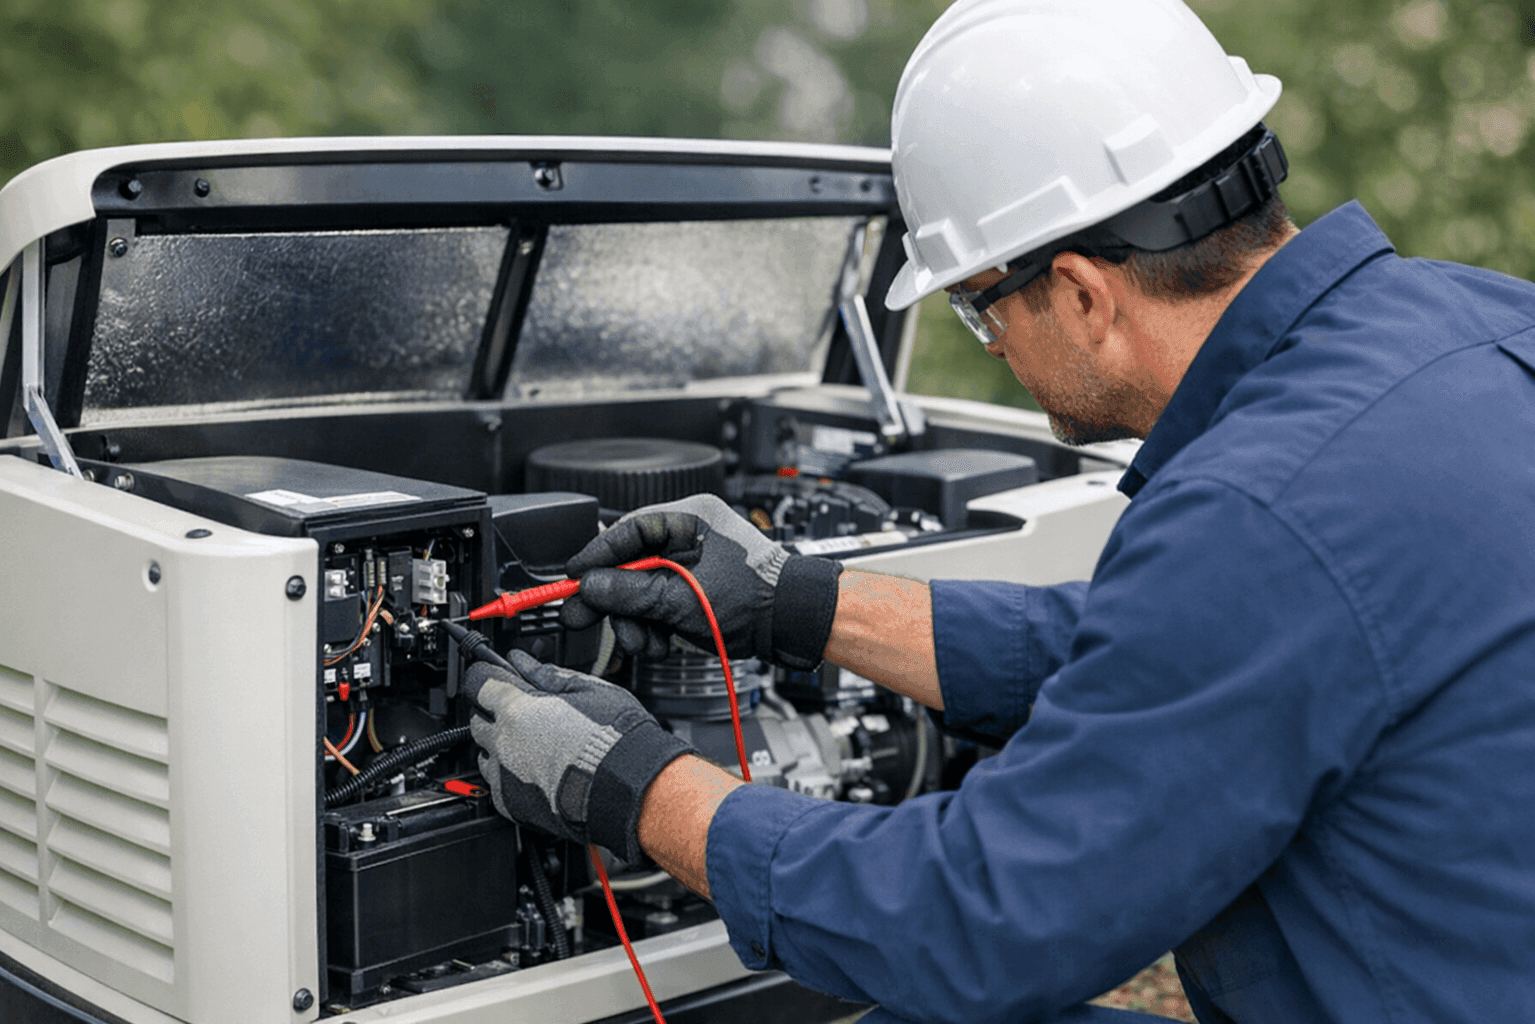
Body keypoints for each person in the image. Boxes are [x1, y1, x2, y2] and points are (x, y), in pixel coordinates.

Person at [462, 1, 1535, 1021]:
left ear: (1080, 293)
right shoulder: (1483, 323)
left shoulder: (1261, 510)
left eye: (980, 310)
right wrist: (801, 600)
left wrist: (644, 792)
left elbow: (979, 924)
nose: (1000, 349)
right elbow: (1191, 652)